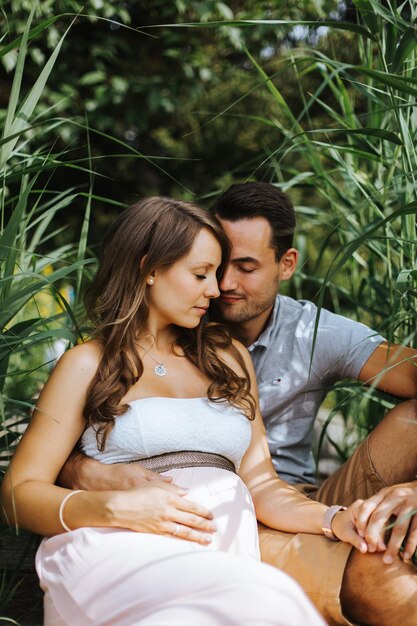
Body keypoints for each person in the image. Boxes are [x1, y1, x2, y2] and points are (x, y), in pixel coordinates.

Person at [2, 195, 367, 626]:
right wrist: (112, 509)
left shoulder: (227, 357)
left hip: (220, 554)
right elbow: (16, 493)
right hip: (116, 547)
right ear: (149, 269)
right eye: (200, 274)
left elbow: (262, 485)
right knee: (270, 599)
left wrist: (332, 519)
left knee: (266, 602)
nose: (215, 290)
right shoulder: (87, 364)